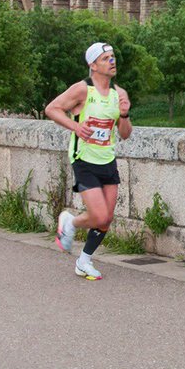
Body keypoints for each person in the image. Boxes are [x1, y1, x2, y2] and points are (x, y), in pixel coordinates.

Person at [44, 42, 133, 280]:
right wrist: (76, 126)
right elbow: (52, 108)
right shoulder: (83, 90)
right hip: (83, 159)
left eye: (113, 57)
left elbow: (124, 134)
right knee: (100, 215)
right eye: (106, 58)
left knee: (107, 219)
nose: (112, 62)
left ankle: (84, 261)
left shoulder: (119, 93)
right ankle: (70, 223)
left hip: (108, 160)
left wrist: (124, 114)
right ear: (92, 65)